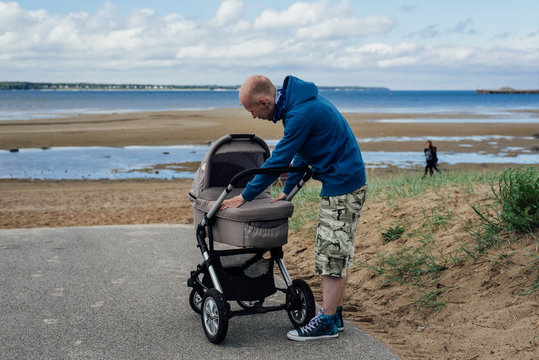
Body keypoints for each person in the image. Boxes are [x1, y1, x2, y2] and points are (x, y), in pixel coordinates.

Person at [220, 75, 367, 341]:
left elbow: (278, 161)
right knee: (336, 251)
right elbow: (303, 150)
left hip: (343, 184)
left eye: (251, 110)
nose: (252, 116)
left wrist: (246, 196)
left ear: (264, 102)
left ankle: (328, 322)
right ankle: (334, 314)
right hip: (345, 180)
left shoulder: (300, 114)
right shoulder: (299, 107)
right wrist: (288, 191)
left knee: (332, 254)